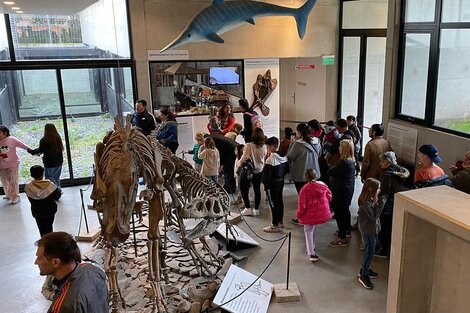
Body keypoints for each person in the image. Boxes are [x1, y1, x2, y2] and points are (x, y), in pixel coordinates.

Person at [34, 232, 109, 313]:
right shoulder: (94, 270)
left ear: (55, 262)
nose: (36, 262)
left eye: (39, 258)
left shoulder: (63, 307)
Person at [376, 152, 409, 258]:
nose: (380, 164)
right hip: (395, 202)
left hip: (387, 206)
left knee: (385, 228)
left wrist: (377, 204)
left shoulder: (386, 175)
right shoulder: (400, 170)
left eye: (382, 161)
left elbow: (383, 193)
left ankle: (384, 250)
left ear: (388, 162)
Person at [287, 123, 322, 225]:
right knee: (312, 197)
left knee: (303, 198)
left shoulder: (297, 144)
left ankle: (303, 218)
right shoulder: (317, 141)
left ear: (300, 132)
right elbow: (319, 154)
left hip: (301, 174)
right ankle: (312, 216)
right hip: (314, 173)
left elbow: (290, 156)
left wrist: (291, 143)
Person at [297, 168, 332, 262]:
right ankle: (312, 246)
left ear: (305, 177)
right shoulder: (323, 185)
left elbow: (302, 205)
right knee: (313, 229)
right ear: (316, 175)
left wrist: (299, 215)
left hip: (309, 214)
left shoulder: (305, 189)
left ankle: (311, 253)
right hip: (319, 213)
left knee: (308, 231)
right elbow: (329, 196)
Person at [357, 178, 385, 290]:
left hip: (372, 231)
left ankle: (365, 269)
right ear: (370, 189)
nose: (379, 190)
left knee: (370, 252)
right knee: (369, 253)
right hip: (368, 232)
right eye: (377, 188)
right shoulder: (366, 203)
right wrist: (381, 205)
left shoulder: (372, 199)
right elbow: (374, 217)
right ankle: (364, 275)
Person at [328, 139, 356, 247]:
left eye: (340, 147)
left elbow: (330, 172)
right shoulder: (352, 160)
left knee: (339, 213)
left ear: (343, 149)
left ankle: (342, 237)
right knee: (345, 210)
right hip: (347, 190)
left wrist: (332, 166)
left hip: (341, 191)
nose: (338, 148)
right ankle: (347, 230)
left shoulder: (343, 162)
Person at [25, 165, 62, 237]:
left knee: (41, 228)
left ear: (31, 175)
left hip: (37, 211)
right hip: (50, 210)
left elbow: (28, 195)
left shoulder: (28, 186)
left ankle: (43, 241)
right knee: (49, 226)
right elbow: (57, 196)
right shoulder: (50, 185)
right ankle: (49, 242)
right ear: (43, 174)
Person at [238, 128, 267, 216]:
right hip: (259, 170)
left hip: (248, 171)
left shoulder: (249, 146)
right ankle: (256, 209)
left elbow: (244, 158)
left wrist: (238, 164)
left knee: (243, 188)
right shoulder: (264, 146)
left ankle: (248, 208)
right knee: (257, 190)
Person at [262, 136, 289, 232]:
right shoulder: (284, 157)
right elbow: (286, 170)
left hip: (271, 185)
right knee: (279, 201)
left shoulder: (271, 159)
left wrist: (265, 184)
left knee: (273, 203)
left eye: (268, 147)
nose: (267, 149)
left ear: (273, 147)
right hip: (280, 182)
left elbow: (266, 176)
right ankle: (280, 221)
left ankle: (274, 224)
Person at [0, 125, 31, 204]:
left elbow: (23, 145)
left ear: (5, 133)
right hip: (1, 165)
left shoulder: (12, 139)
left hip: (12, 164)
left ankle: (15, 196)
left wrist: (31, 150)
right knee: (5, 180)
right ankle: (8, 194)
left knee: (13, 180)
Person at [28, 123, 64, 190]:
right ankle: (58, 189)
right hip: (59, 161)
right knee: (56, 177)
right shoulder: (58, 138)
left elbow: (40, 150)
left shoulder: (44, 140)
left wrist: (31, 151)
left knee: (49, 178)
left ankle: (57, 190)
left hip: (49, 162)